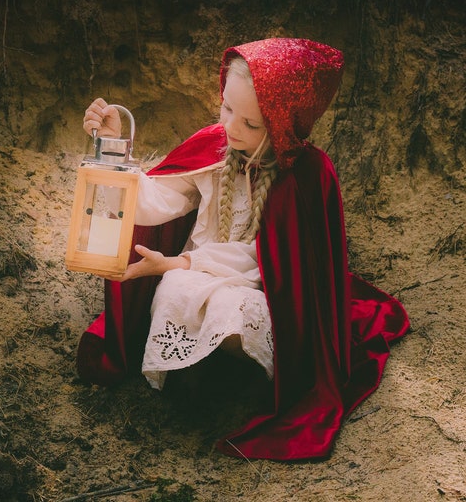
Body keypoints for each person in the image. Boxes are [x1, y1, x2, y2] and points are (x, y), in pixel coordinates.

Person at [75, 37, 410, 461]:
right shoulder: (213, 146)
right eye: (227, 109)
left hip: (262, 293)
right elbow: (156, 201)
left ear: (283, 124)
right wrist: (111, 149)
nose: (232, 128)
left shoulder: (304, 174)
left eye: (251, 124)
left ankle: (243, 376)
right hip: (189, 275)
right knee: (179, 289)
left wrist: (180, 262)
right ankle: (198, 374)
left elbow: (263, 261)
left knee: (226, 309)